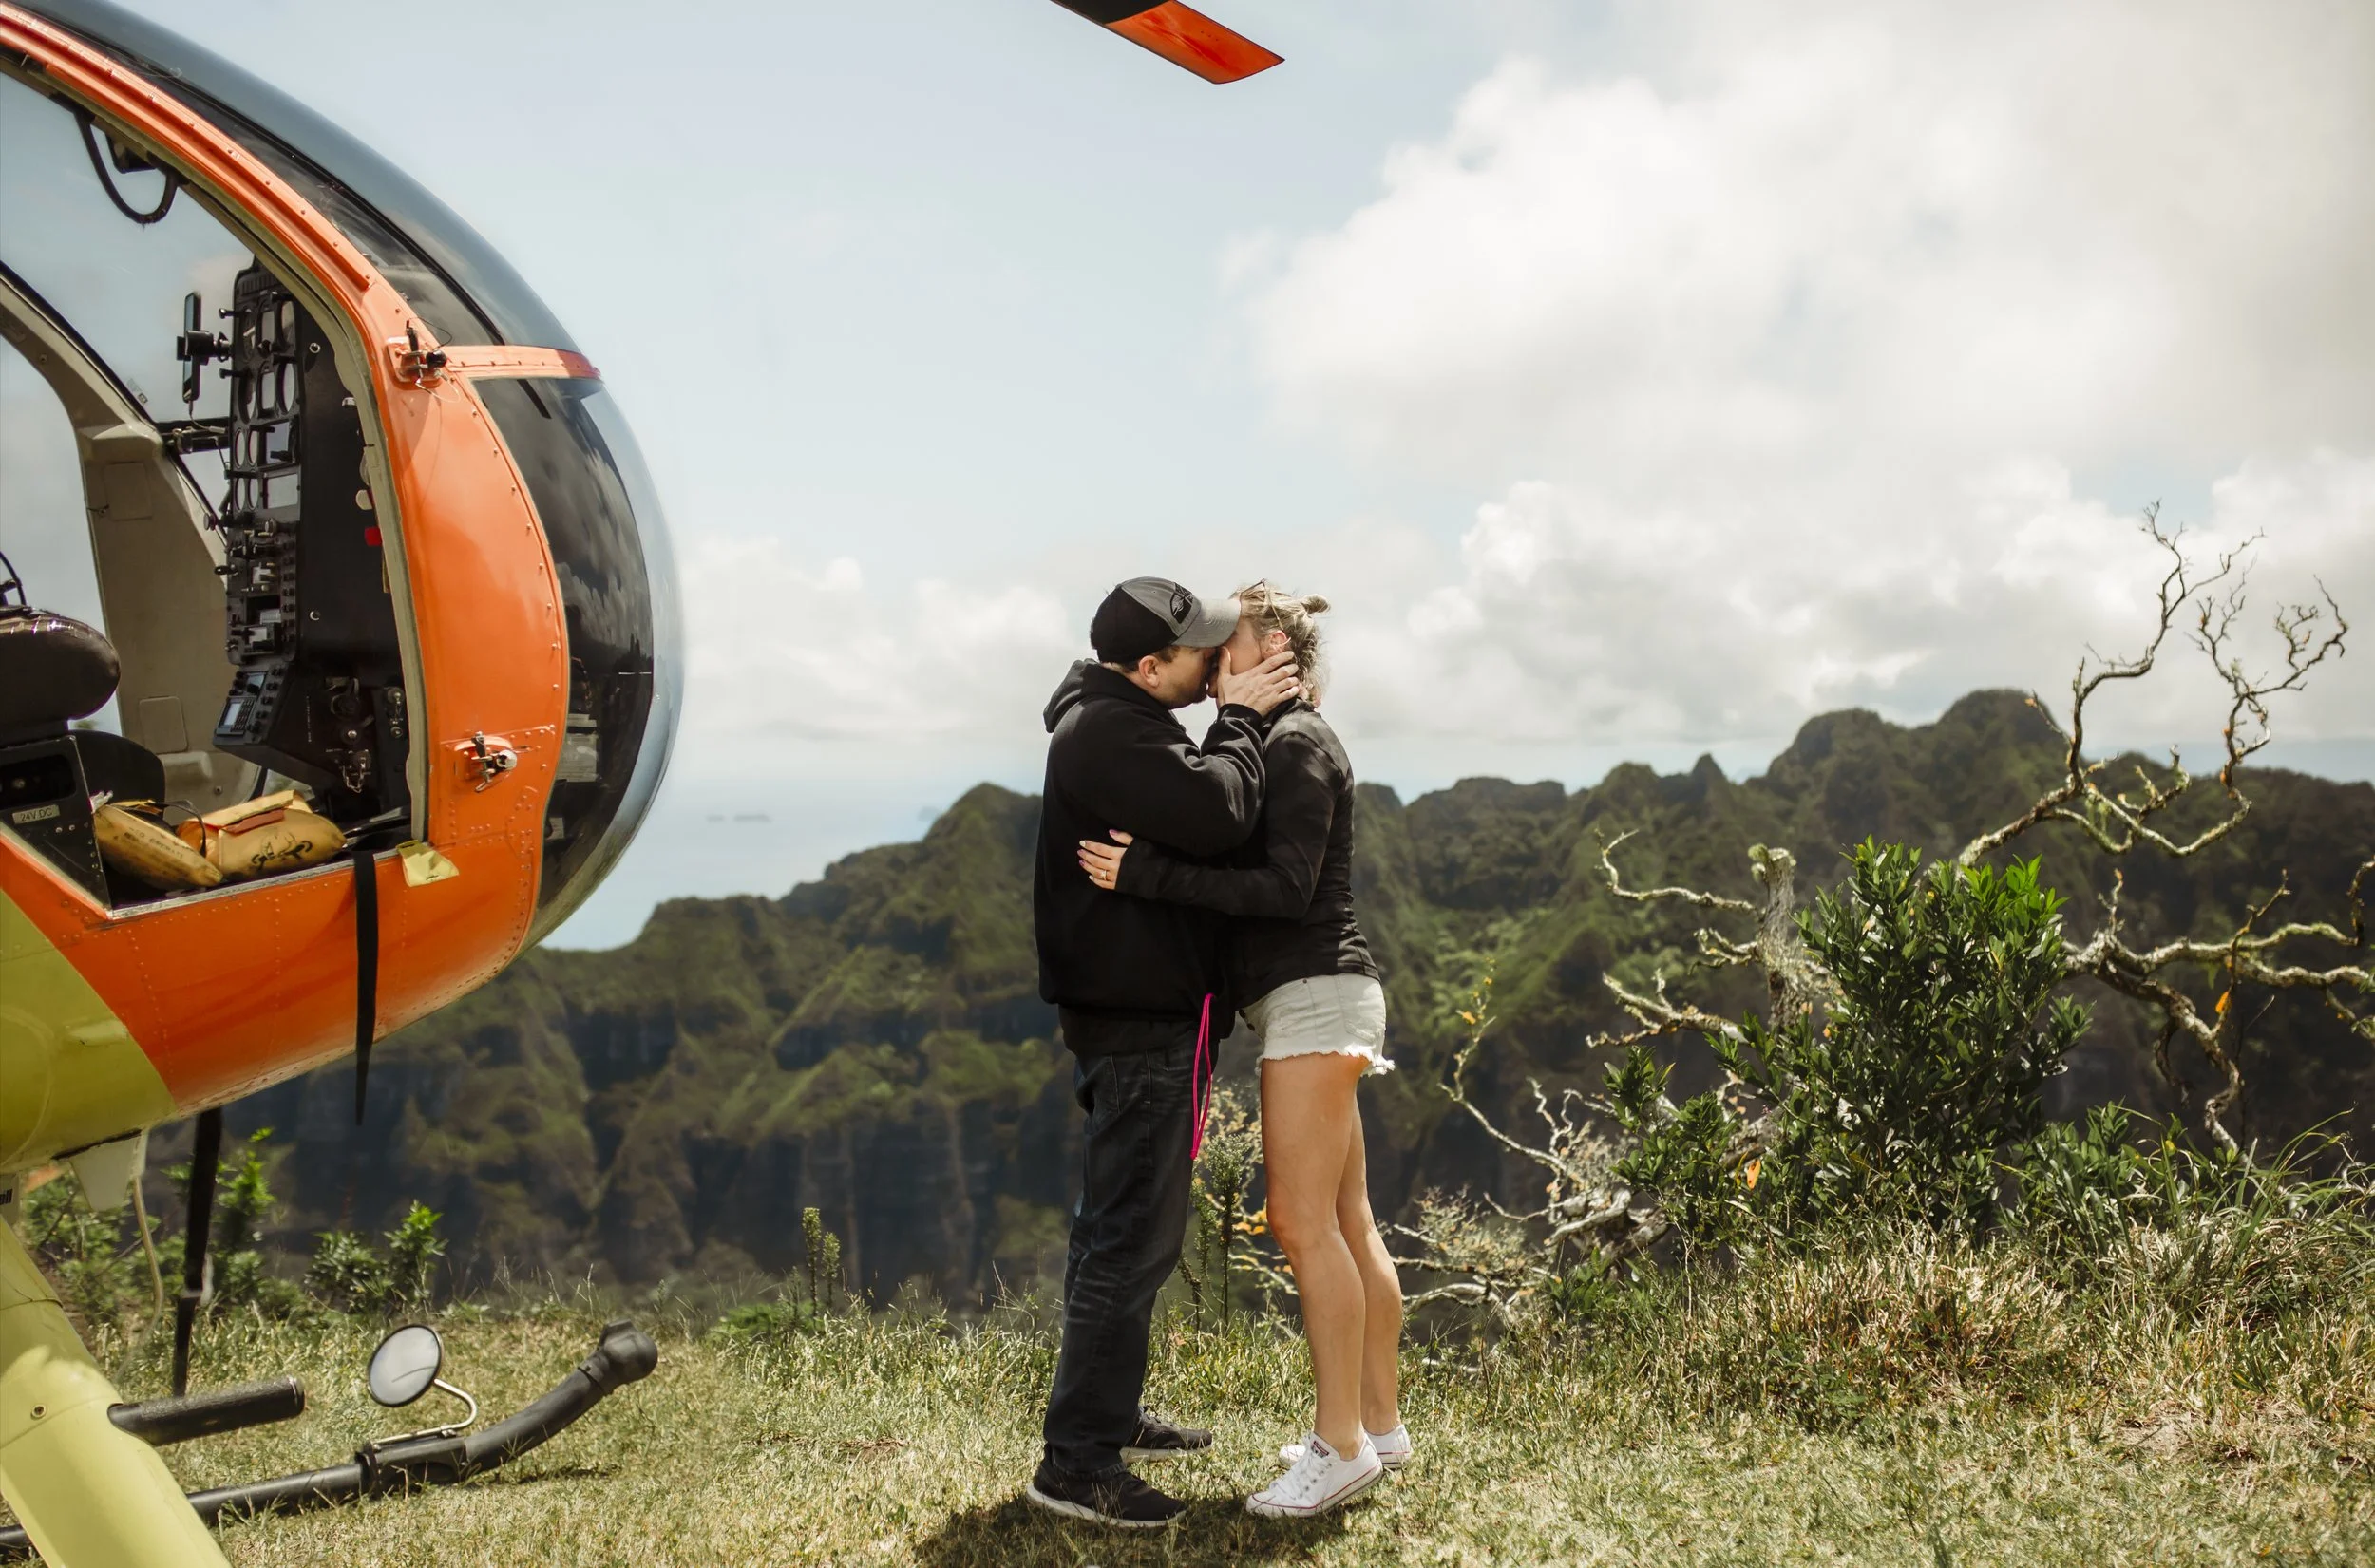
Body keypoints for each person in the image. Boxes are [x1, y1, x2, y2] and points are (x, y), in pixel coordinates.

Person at [1078, 583, 1404, 1520]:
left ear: (1276, 656)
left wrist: (1150, 872)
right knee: (1349, 1221)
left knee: (1301, 1224)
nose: (1213, 659)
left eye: (1230, 647)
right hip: (1324, 999)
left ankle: (1338, 1447)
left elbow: (1284, 889)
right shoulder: (1285, 741)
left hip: (1313, 1000)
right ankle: (1376, 1426)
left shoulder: (1296, 742)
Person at [1027, 576, 1302, 1528]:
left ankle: (1104, 1414)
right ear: (1148, 666)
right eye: (1201, 653)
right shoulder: (1112, 733)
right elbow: (1220, 812)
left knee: (1121, 1230)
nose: (1214, 664)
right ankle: (1078, 1464)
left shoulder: (1115, 722)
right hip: (1142, 1024)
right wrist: (1239, 717)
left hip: (1141, 1020)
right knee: (1129, 1240)